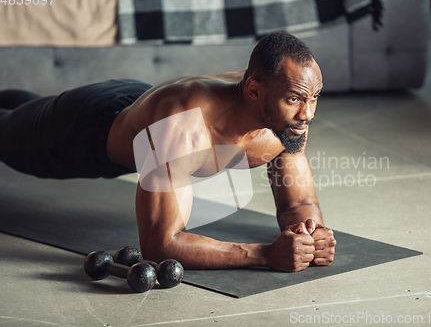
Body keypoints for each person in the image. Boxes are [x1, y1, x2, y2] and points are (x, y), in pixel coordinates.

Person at [0, 31, 336, 272]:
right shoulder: (183, 127)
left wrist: (310, 234)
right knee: (9, 134)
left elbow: (297, 203)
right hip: (84, 129)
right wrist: (263, 255)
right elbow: (160, 244)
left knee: (22, 109)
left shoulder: (285, 119)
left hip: (137, 104)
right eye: (295, 99)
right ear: (253, 90)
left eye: (314, 97)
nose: (308, 114)